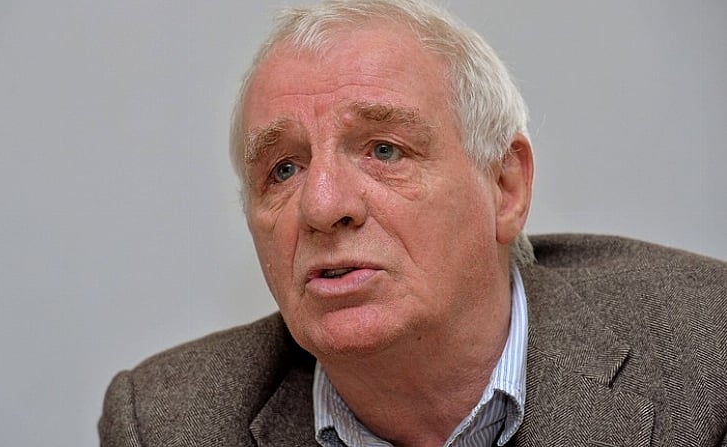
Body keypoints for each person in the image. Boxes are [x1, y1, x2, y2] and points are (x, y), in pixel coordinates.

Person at [99, 0, 727, 445]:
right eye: (284, 169)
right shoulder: (165, 420)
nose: (323, 206)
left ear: (505, 187)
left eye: (384, 150)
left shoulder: (707, 357)